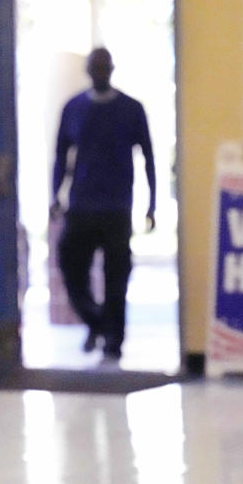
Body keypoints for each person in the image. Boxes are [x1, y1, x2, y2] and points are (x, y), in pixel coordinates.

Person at [50, 47, 156, 362]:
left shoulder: (131, 110)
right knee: (70, 266)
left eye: (104, 67)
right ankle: (96, 321)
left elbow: (148, 157)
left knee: (117, 278)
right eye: (94, 68)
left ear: (112, 69)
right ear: (87, 71)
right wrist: (54, 194)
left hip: (117, 208)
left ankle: (114, 339)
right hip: (81, 205)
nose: (99, 73)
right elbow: (60, 156)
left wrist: (152, 204)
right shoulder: (73, 108)